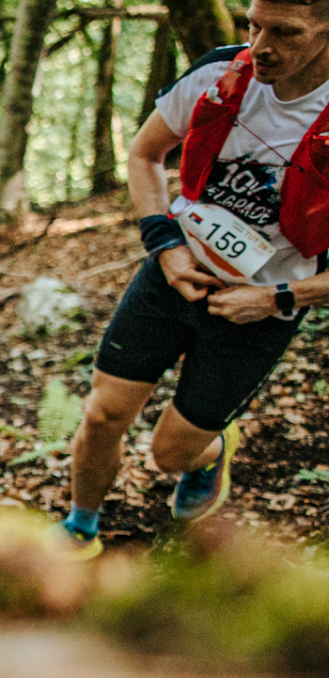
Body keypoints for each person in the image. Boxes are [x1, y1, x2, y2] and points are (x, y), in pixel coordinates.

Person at [59, 0, 329, 556]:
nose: (260, 47)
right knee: (104, 413)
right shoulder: (220, 74)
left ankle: (208, 452)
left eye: (285, 32)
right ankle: (79, 530)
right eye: (253, 26)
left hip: (259, 309)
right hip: (172, 275)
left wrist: (277, 297)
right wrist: (164, 246)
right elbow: (144, 153)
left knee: (171, 455)